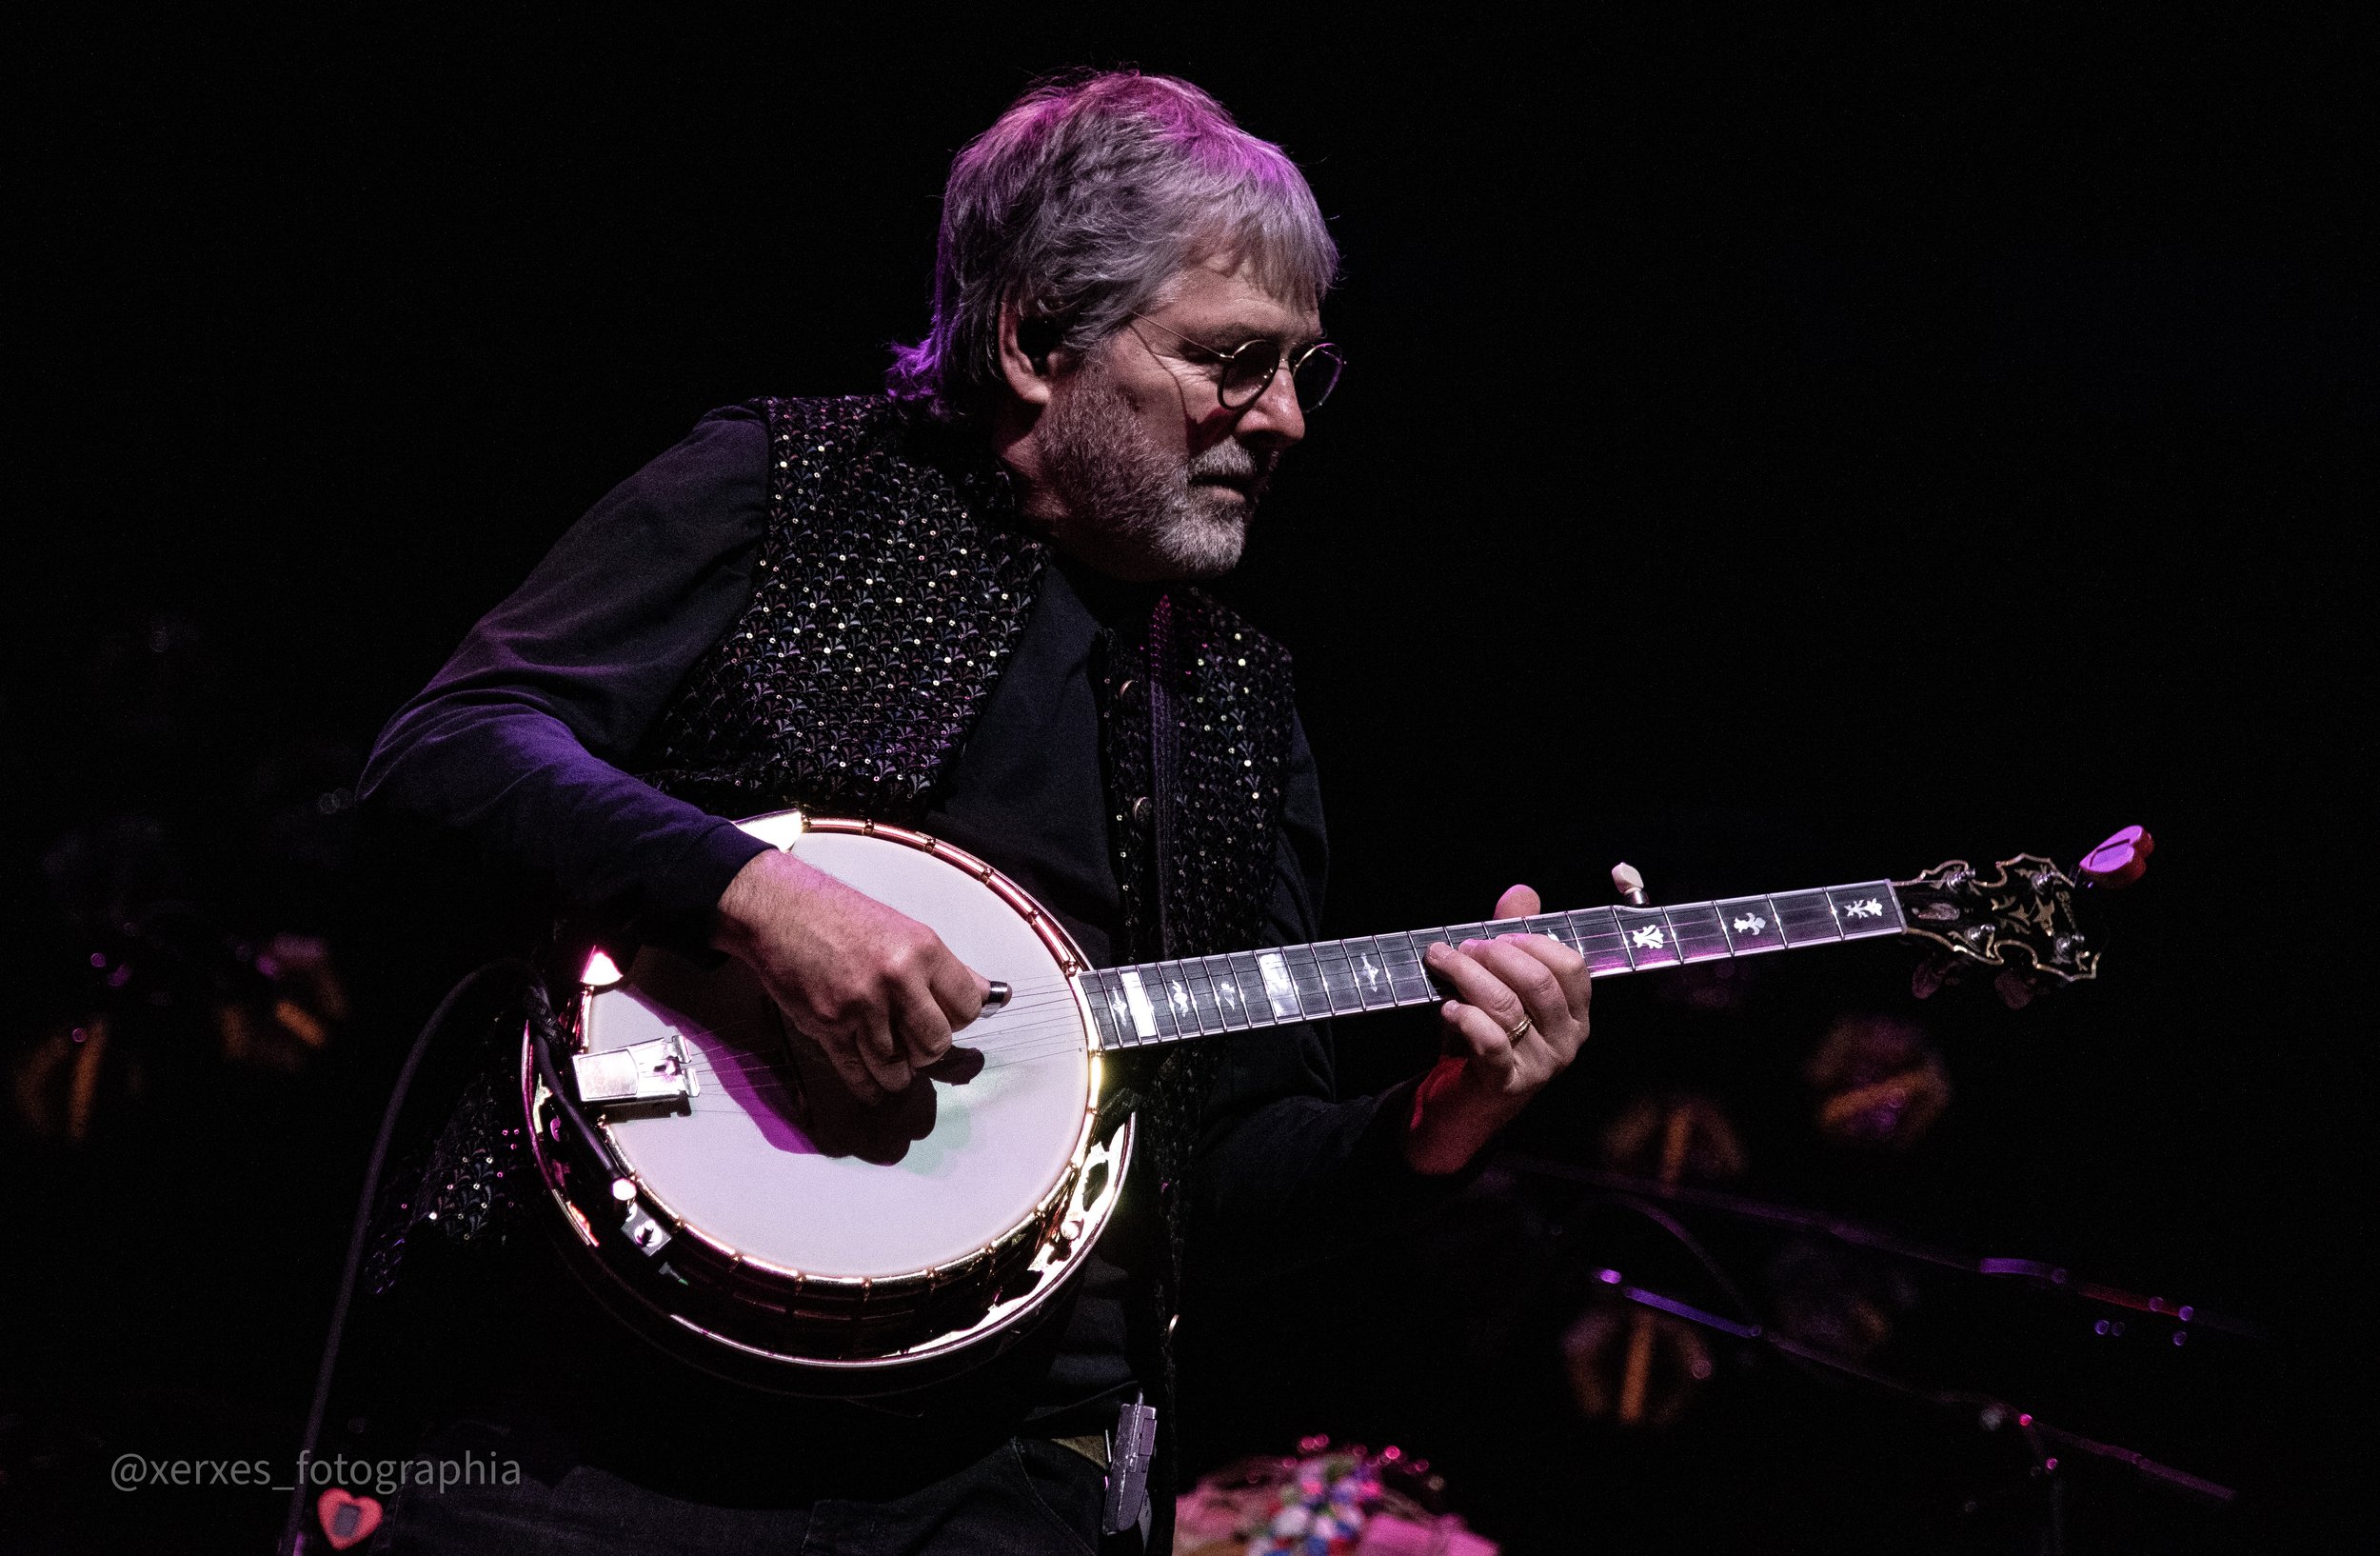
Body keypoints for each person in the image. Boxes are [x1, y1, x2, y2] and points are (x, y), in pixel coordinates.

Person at [354, 70, 1593, 1554]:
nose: (1282, 420)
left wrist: (1441, 1121)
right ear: (1033, 340)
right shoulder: (787, 491)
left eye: (1302, 371)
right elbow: (446, 752)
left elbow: (1213, 1180)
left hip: (1007, 1487)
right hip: (595, 1445)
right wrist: (753, 893)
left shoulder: (1241, 704)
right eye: (1232, 360)